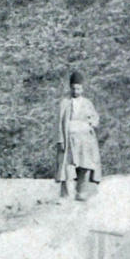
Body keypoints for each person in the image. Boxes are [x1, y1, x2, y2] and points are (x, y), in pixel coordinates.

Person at [56, 69, 102, 201]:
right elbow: (59, 123)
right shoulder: (65, 102)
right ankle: (66, 194)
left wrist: (91, 123)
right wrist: (60, 140)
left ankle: (82, 191)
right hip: (69, 137)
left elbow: (95, 118)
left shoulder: (87, 103)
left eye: (79, 88)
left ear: (82, 88)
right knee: (67, 165)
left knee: (85, 164)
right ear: (70, 88)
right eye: (74, 88)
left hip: (85, 138)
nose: (76, 91)